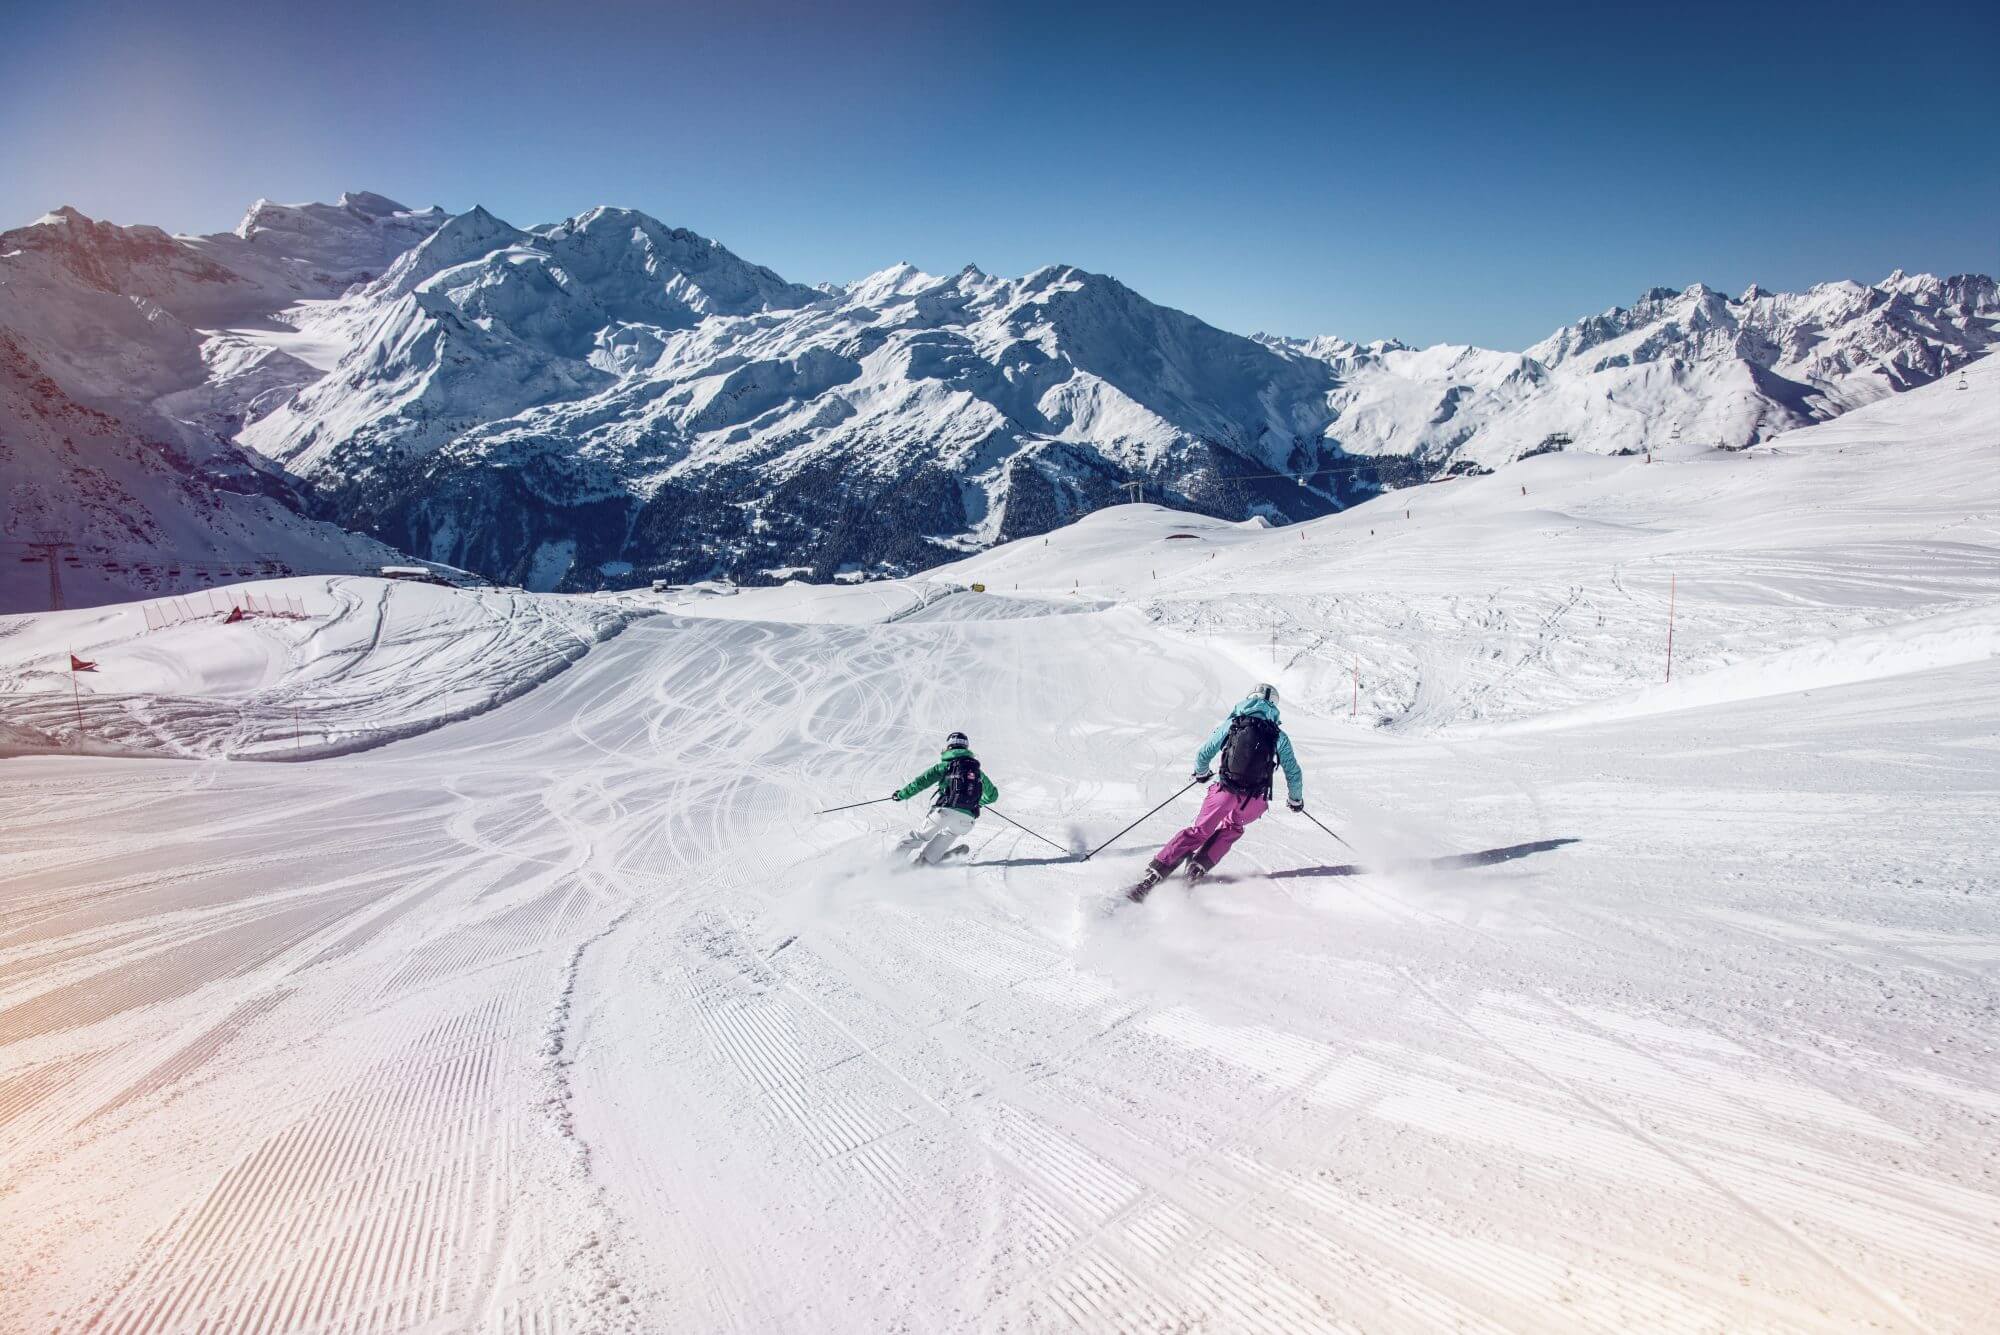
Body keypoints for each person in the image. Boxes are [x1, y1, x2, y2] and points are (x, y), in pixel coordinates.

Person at [1132, 683, 1304, 899]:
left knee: (1200, 831)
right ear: (1275, 705)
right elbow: (1293, 771)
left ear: (1249, 698)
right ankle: (1198, 867)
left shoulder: (1233, 724)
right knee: (1233, 827)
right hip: (1254, 801)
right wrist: (1295, 799)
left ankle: (1157, 872)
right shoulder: (1279, 735)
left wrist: (1201, 772)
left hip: (1225, 791)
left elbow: (1205, 752)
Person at [893, 731, 1000, 865]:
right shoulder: (977, 771)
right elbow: (993, 796)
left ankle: (891, 863)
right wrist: (977, 803)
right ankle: (926, 861)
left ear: (948, 747)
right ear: (966, 748)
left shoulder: (945, 766)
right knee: (949, 833)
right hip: (967, 820)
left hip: (945, 812)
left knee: (920, 836)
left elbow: (920, 783)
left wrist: (901, 794)